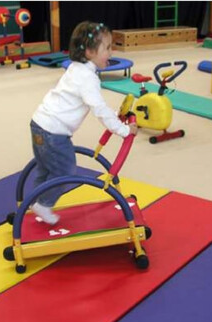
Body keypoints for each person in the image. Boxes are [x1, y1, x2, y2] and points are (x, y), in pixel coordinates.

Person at [30, 21, 138, 225]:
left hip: (39, 123)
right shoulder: (88, 78)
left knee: (45, 169)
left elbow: (95, 105)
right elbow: (99, 109)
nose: (111, 52)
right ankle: (43, 205)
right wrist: (123, 130)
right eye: (107, 48)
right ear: (89, 52)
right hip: (54, 132)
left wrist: (114, 116)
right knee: (66, 170)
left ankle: (34, 201)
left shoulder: (75, 69)